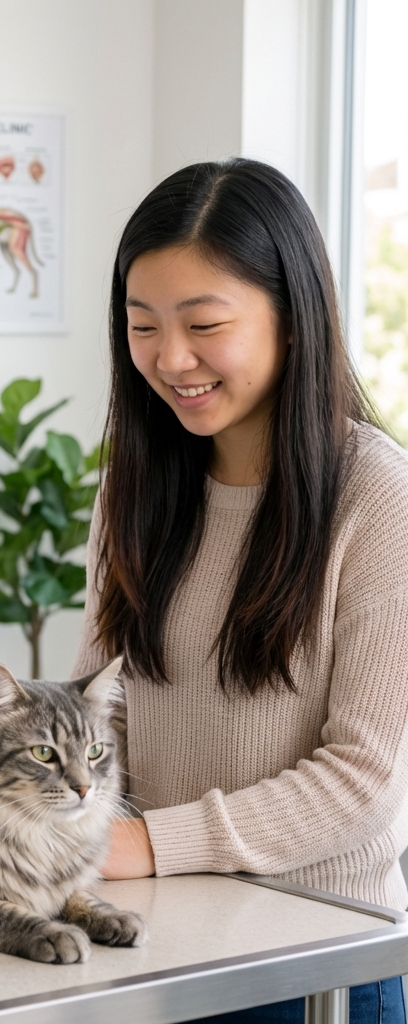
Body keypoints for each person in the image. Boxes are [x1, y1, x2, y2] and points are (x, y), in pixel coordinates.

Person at [75, 158, 408, 1023]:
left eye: (205, 324)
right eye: (141, 326)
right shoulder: (134, 490)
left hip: (315, 955)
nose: (169, 358)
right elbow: (100, 712)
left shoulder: (379, 496)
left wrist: (153, 842)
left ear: (293, 321)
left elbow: (364, 778)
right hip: (159, 943)